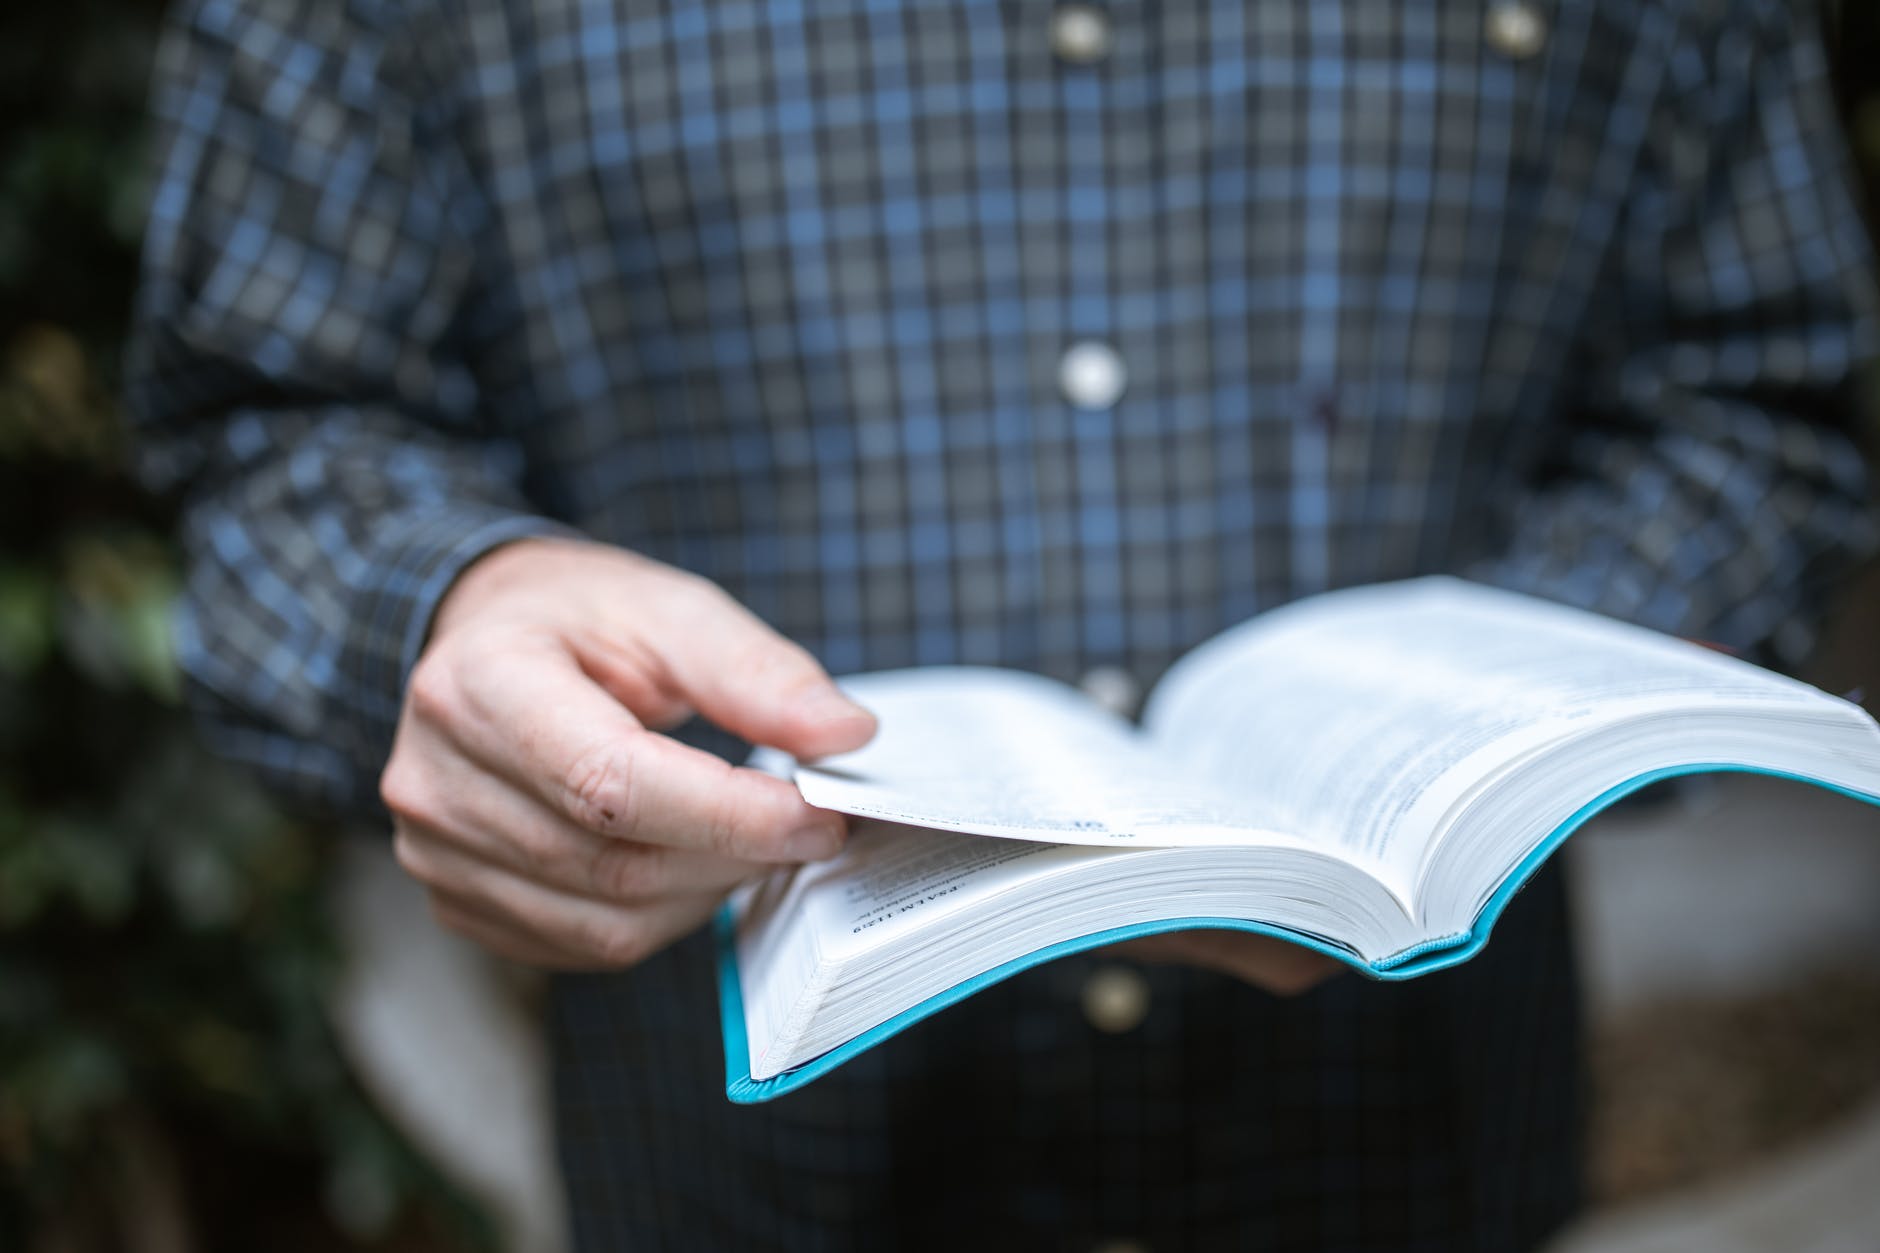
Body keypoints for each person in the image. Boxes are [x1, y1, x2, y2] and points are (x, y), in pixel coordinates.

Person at [128, 0, 1876, 1247]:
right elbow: (277, 427)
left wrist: (1490, 738)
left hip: (1407, 1142)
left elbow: (1765, 403)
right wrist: (454, 603)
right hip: (746, 1167)